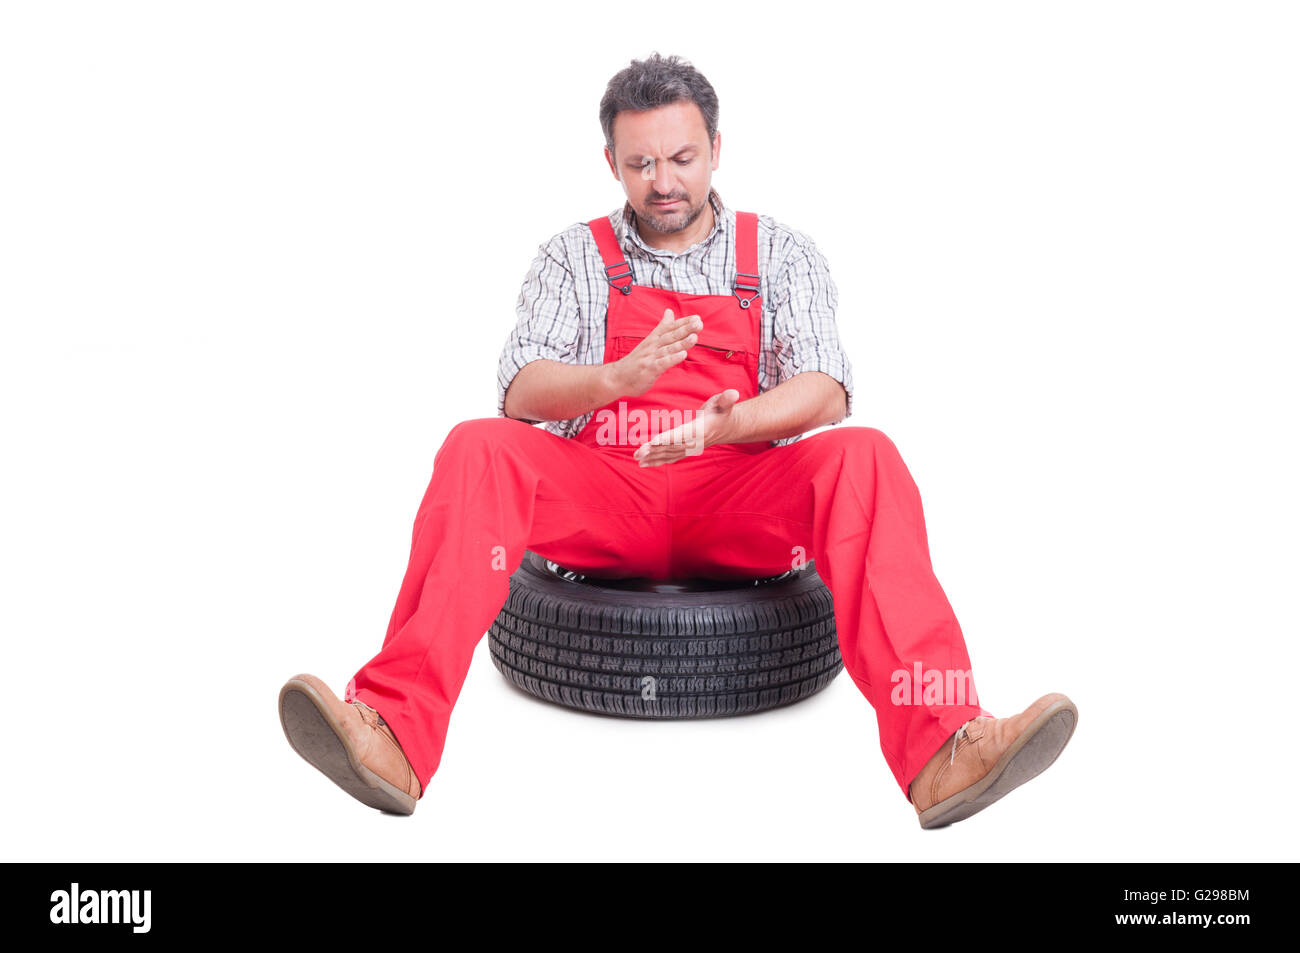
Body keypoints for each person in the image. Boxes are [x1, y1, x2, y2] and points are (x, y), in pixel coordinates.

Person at [278, 52, 1078, 830]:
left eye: (683, 157)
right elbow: (520, 388)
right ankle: (389, 734)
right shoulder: (573, 256)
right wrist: (611, 384)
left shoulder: (779, 253)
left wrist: (730, 424)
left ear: (717, 150)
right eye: (641, 162)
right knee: (475, 445)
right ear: (612, 163)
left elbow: (827, 387)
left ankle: (946, 743)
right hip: (605, 495)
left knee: (866, 455)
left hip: (736, 496)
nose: (664, 181)